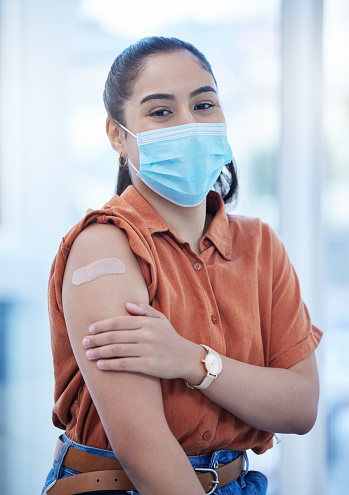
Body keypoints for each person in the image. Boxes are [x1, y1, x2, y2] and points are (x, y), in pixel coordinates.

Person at [42, 36, 322, 495]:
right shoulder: (103, 250)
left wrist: (190, 360)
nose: (189, 124)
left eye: (204, 104)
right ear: (117, 135)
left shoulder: (260, 245)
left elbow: (301, 407)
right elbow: (143, 447)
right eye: (161, 111)